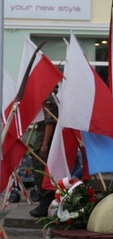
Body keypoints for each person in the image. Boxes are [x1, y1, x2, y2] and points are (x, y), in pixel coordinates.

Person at [30, 90, 58, 218]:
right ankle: (44, 201)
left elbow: (50, 122)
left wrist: (44, 144)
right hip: (42, 138)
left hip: (45, 140)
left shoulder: (49, 98)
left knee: (41, 168)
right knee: (40, 168)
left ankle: (46, 202)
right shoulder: (50, 96)